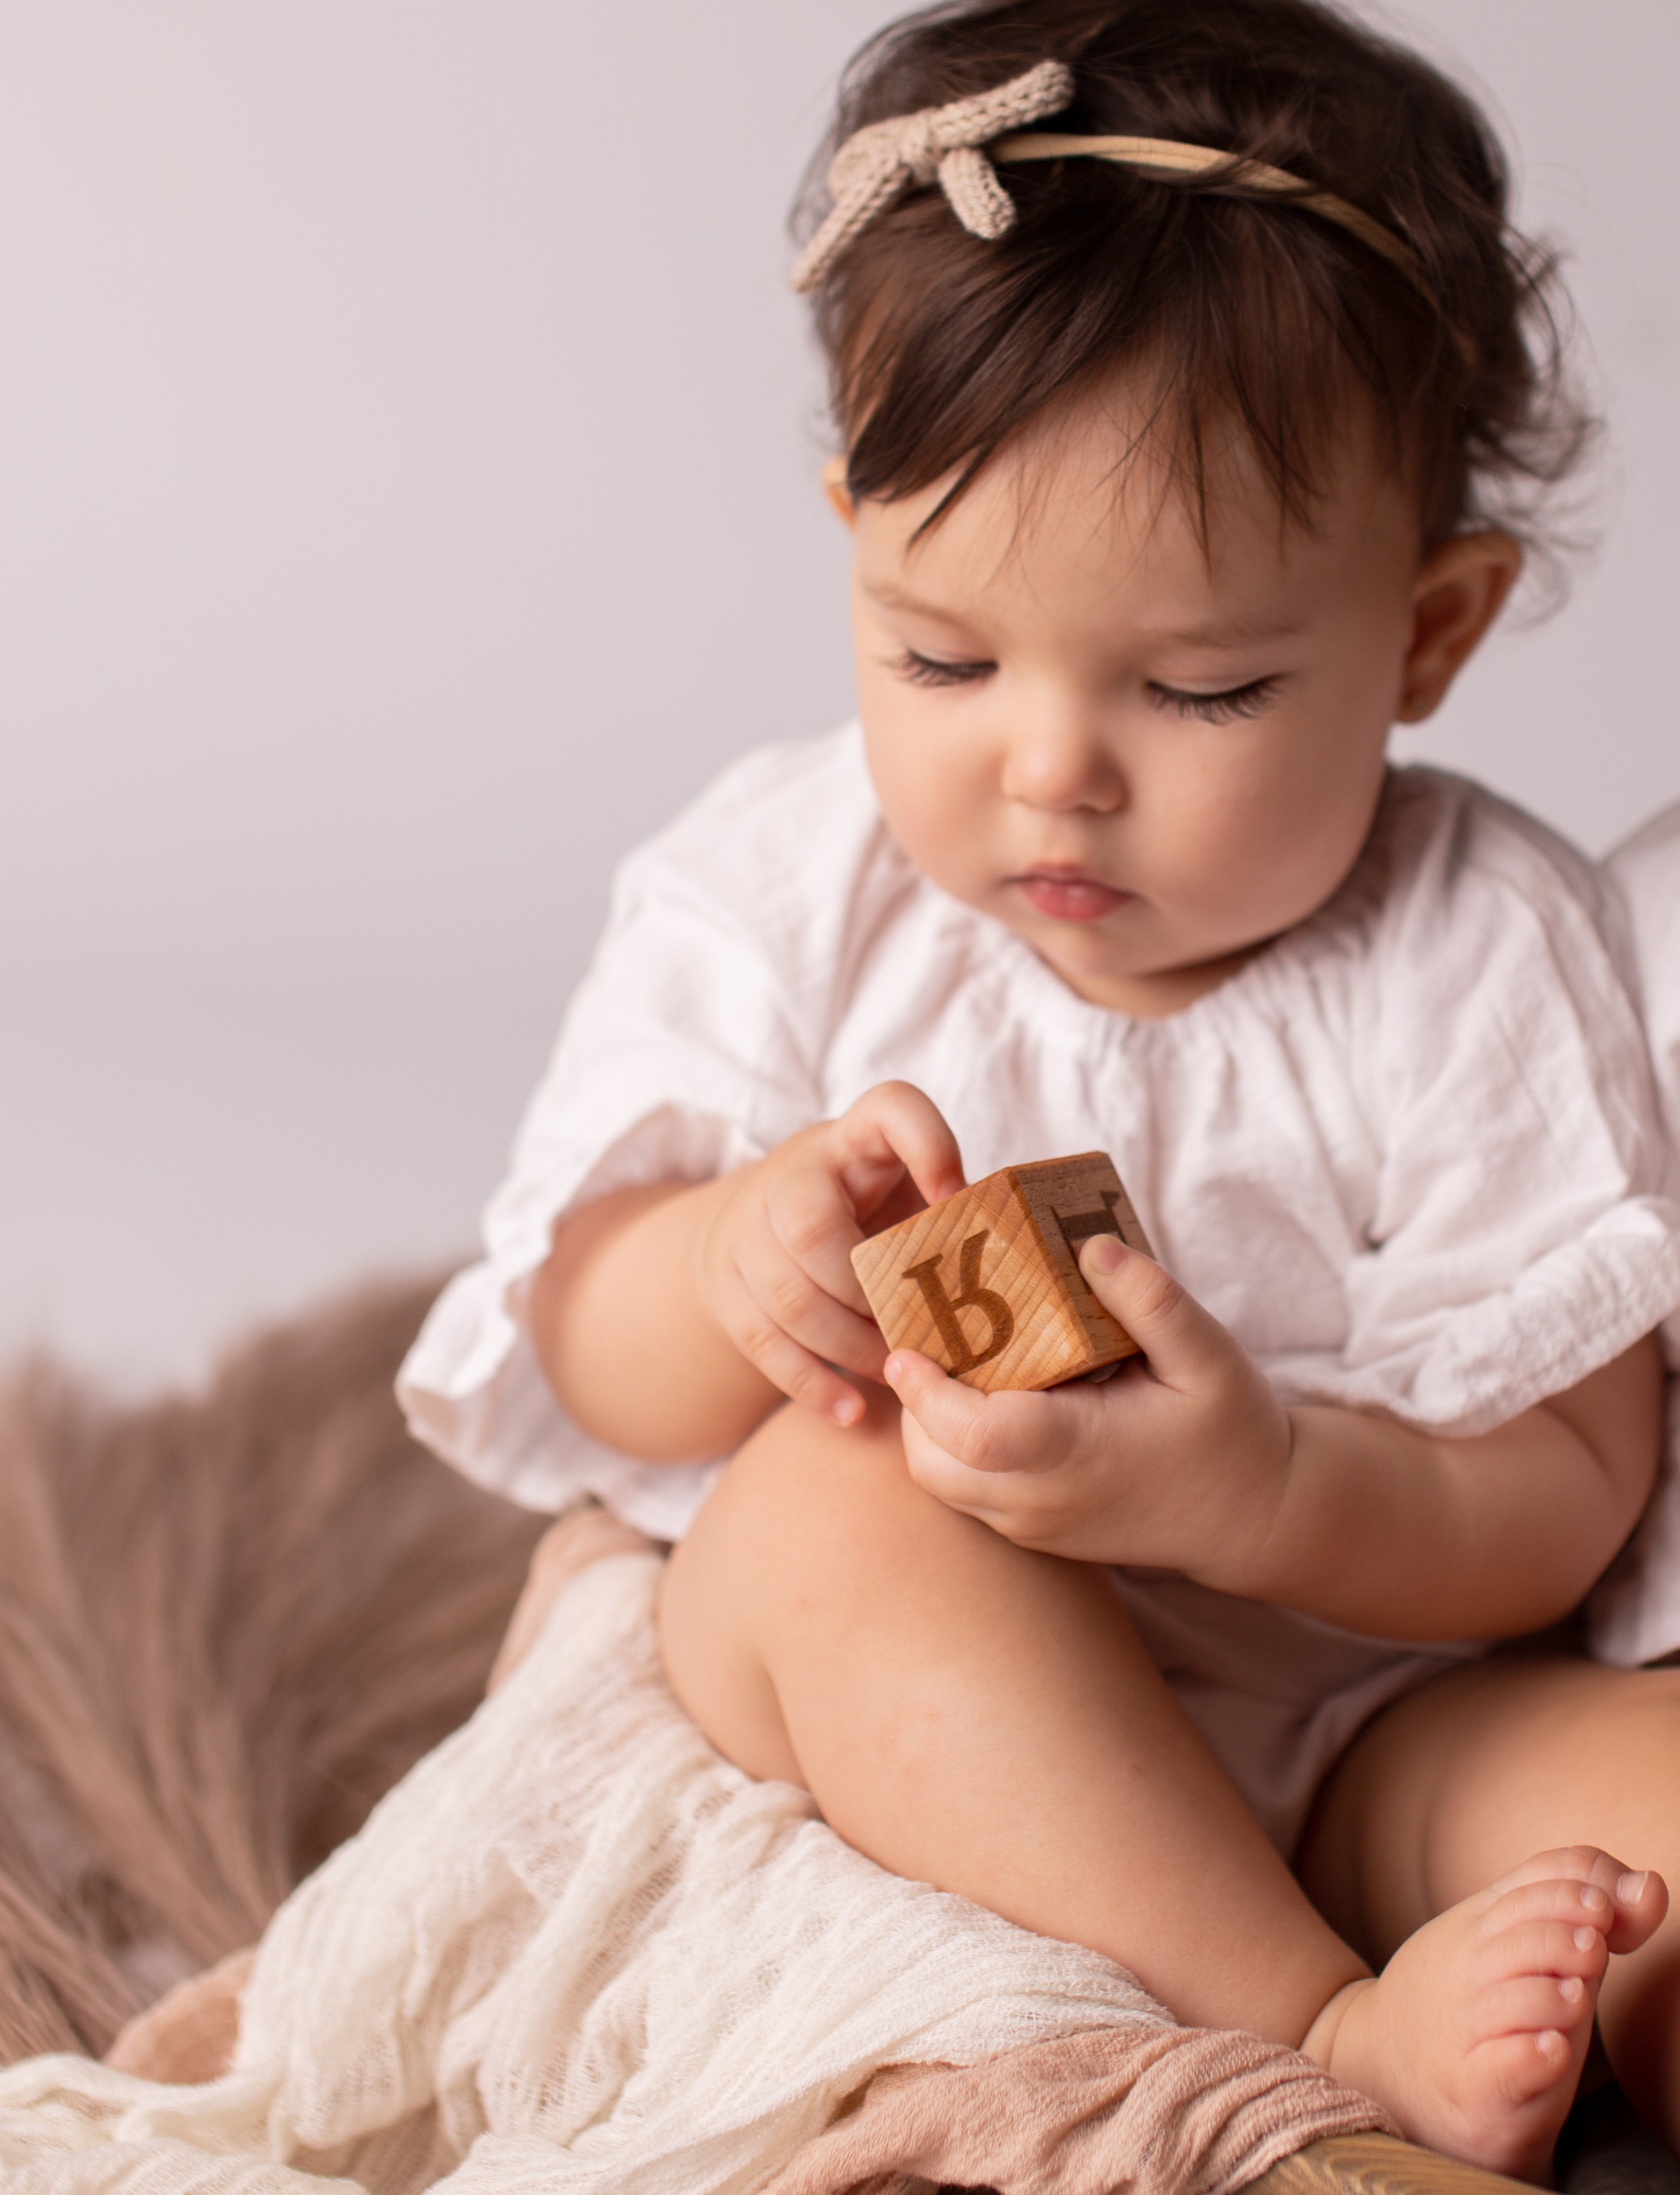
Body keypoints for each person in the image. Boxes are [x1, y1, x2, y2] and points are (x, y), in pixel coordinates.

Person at [398, 0, 1680, 2175]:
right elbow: (580, 1337)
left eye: (1202, 684)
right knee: (833, 1513)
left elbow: (1567, 1477)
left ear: (1430, 632)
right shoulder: (786, 893)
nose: (1050, 763)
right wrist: (734, 1263)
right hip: (926, 1713)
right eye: (943, 653)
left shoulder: (1484, 945)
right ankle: (1313, 2031)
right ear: (852, 539)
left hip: (1373, 1712)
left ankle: (1434, 1959)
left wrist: (1257, 1488)